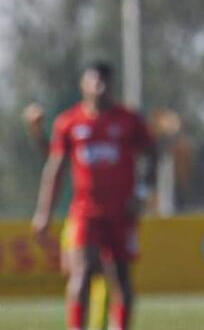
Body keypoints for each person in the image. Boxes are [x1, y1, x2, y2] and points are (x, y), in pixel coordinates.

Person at [32, 62, 155, 330]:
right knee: (82, 272)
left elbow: (152, 155)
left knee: (120, 277)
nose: (100, 87)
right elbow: (55, 170)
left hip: (122, 212)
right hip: (85, 212)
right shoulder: (69, 122)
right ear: (83, 85)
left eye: (105, 82)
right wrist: (44, 214)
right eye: (94, 81)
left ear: (113, 85)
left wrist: (143, 193)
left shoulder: (129, 120)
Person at [23, 103, 111, 330]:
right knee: (81, 272)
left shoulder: (106, 148)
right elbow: (53, 155)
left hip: (107, 218)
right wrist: (37, 132)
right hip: (78, 219)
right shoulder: (72, 143)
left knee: (104, 275)